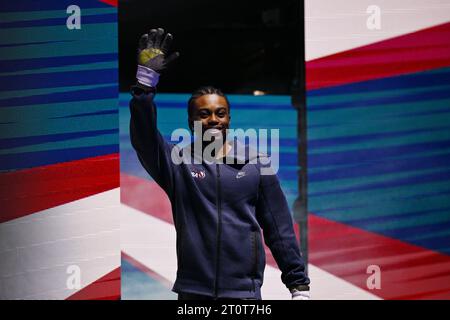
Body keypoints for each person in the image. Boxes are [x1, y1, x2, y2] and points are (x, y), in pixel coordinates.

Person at [129, 28, 311, 300]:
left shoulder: (256, 165)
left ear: (228, 120)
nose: (213, 119)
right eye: (204, 114)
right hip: (193, 295)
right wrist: (145, 85)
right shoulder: (177, 164)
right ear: (192, 124)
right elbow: (144, 138)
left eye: (220, 113)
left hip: (244, 296)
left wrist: (298, 286)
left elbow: (279, 229)